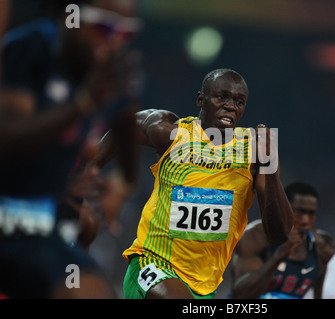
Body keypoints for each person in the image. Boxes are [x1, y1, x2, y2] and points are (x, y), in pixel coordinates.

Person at [87, 68, 294, 299]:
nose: (230, 106)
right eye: (221, 97)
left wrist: (271, 167)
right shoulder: (172, 132)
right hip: (154, 265)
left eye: (239, 101)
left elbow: (280, 235)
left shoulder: (252, 151)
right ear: (200, 99)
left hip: (203, 287)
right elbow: (125, 127)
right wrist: (86, 173)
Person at [0, 0, 142, 298]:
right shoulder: (31, 47)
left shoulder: (105, 71)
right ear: (71, 15)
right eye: (104, 27)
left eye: (125, 32)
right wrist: (82, 104)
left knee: (93, 291)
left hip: (36, 231)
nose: (114, 40)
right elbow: (9, 138)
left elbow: (127, 119)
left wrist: (124, 181)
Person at [229, 181, 335, 299]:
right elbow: (240, 296)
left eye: (311, 214)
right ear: (283, 208)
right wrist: (278, 256)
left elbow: (317, 294)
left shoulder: (321, 245)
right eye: (300, 212)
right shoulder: (256, 236)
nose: (305, 221)